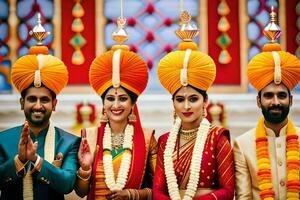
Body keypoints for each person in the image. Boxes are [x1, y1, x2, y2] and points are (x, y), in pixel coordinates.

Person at [153, 10, 235, 200]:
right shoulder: (165, 141)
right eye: (180, 100)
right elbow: (158, 190)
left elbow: (228, 191)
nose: (187, 106)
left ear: (205, 101)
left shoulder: (218, 138)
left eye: (193, 99)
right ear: (173, 103)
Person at [74, 16, 157, 200]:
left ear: (133, 103)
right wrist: (86, 168)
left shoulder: (147, 139)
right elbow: (80, 192)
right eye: (110, 98)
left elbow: (158, 191)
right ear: (103, 103)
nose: (116, 105)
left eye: (123, 99)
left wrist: (131, 195)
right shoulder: (90, 137)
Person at [0, 15, 80, 200]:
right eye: (32, 99)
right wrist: (19, 160)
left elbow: (67, 184)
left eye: (44, 100)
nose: (38, 106)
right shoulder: (3, 140)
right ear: (22, 103)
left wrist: (36, 160)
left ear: (54, 104)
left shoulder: (69, 142)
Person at [233, 9, 300, 200]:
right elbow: (244, 197)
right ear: (258, 101)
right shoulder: (242, 144)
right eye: (269, 96)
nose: (276, 102)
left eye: (281, 95)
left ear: (291, 100)